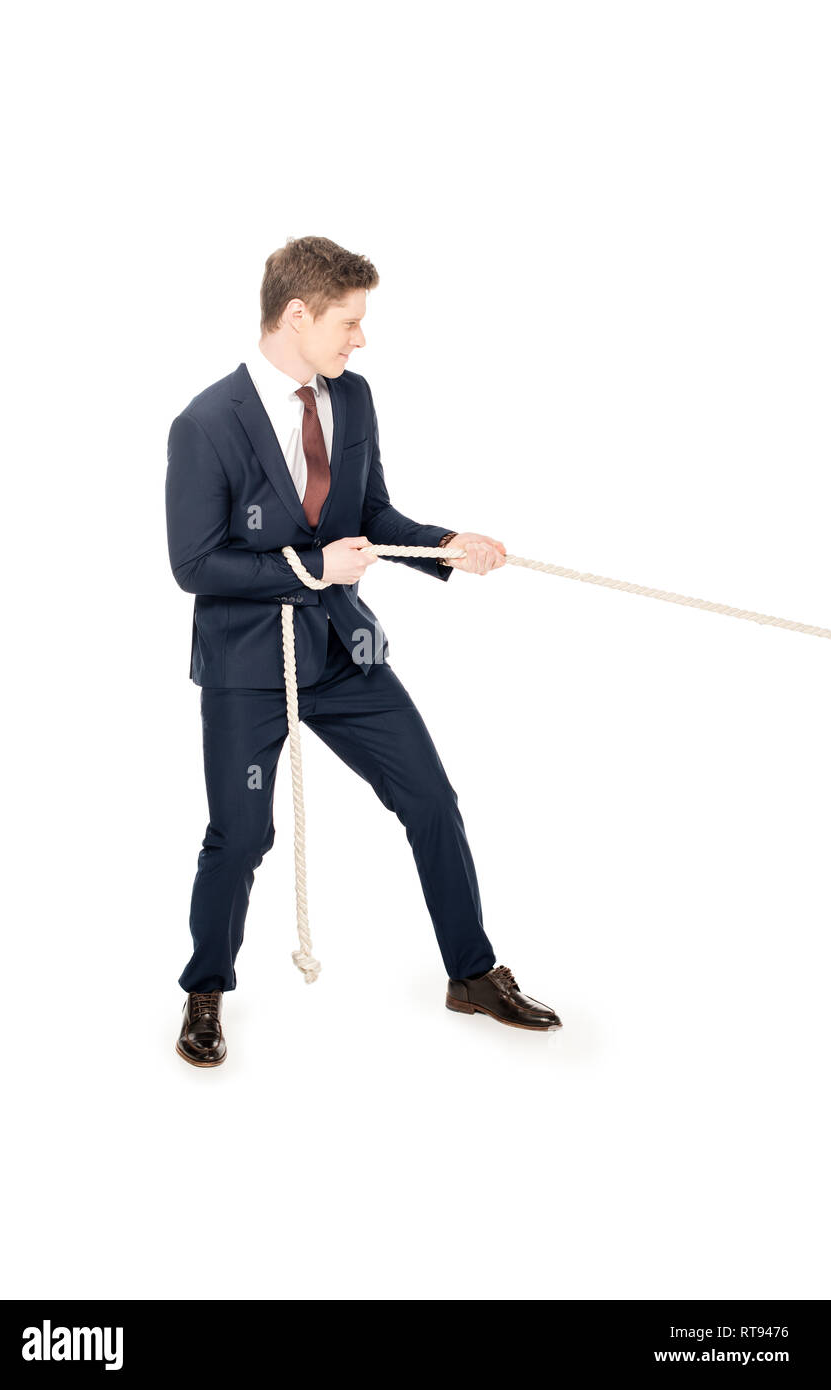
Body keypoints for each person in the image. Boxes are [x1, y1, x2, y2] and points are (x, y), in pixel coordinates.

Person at [165, 235, 562, 1067]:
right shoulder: (204, 423)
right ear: (297, 314)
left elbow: (369, 516)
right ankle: (205, 992)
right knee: (239, 839)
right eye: (348, 322)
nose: (359, 339)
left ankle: (472, 972)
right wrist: (309, 568)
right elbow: (192, 564)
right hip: (247, 666)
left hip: (344, 652)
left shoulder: (354, 397)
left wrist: (446, 542)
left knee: (432, 802)